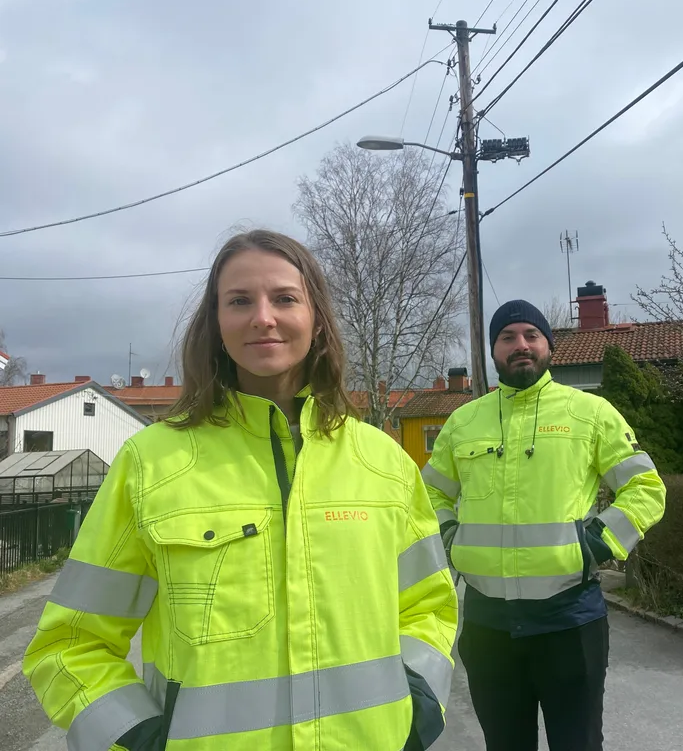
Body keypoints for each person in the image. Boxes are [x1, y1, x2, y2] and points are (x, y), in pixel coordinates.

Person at [22, 230, 458, 751]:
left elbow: (429, 608)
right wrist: (140, 737)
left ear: (316, 319)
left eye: (284, 298)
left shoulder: (384, 461)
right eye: (239, 301)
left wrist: (417, 705)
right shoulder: (150, 463)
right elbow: (70, 644)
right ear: (216, 323)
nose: (263, 317)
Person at [422, 299, 667, 751]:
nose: (521, 345)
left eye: (531, 336)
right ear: (493, 349)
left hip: (569, 620)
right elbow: (430, 495)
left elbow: (647, 489)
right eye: (508, 337)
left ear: (549, 347)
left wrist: (599, 542)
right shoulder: (462, 422)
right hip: (488, 622)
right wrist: (449, 538)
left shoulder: (591, 413)